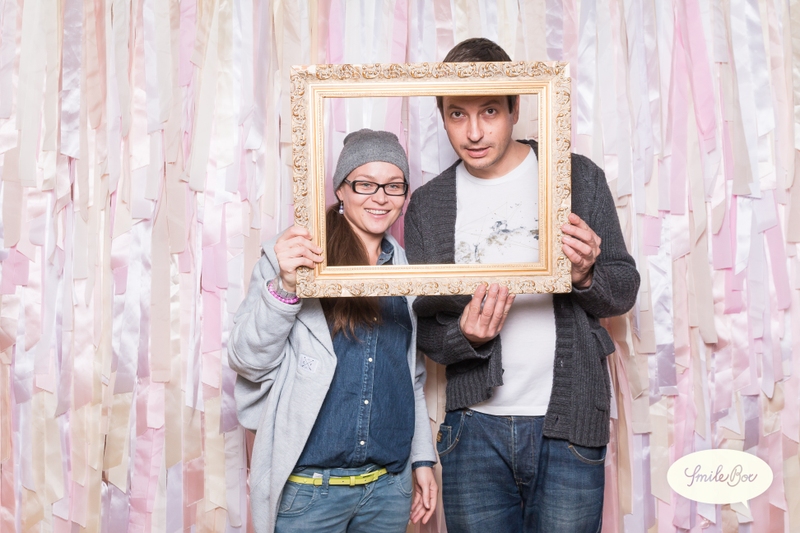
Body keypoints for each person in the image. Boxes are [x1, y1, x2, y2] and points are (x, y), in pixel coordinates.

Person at [404, 38, 640, 532]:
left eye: (489, 111)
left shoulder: (576, 177)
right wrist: (464, 337)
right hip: (473, 429)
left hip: (570, 424)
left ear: (515, 108)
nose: (473, 132)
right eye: (457, 114)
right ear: (441, 116)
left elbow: (623, 290)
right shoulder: (428, 203)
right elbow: (424, 330)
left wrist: (586, 274)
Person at [229, 129, 438, 533]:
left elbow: (409, 378)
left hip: (388, 490)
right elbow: (247, 360)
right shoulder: (293, 258)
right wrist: (286, 287)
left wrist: (422, 461)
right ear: (341, 189)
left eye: (394, 185)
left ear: (405, 195)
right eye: (365, 184)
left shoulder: (407, 271)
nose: (381, 197)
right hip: (310, 492)